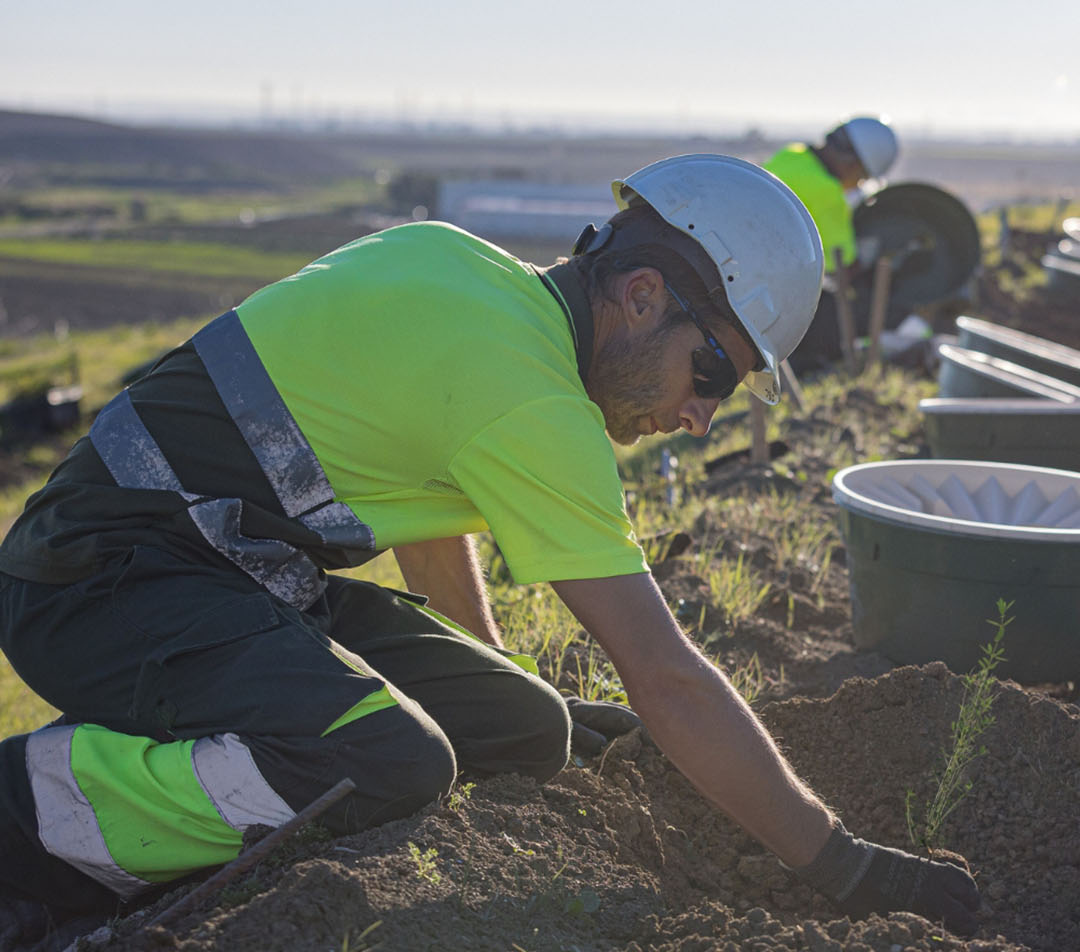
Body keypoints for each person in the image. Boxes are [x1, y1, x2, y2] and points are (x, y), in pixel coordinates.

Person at [0, 153, 980, 947]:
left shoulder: (467, 275)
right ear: (642, 295)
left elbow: (430, 537)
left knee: (523, 726)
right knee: (384, 759)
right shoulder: (532, 400)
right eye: (711, 369)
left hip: (226, 566)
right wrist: (845, 865)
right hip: (96, 580)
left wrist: (505, 689)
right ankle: (29, 816)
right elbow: (665, 676)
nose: (696, 415)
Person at [763, 116, 899, 273]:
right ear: (853, 166)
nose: (857, 185)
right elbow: (844, 264)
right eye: (862, 178)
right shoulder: (827, 192)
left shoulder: (791, 153)